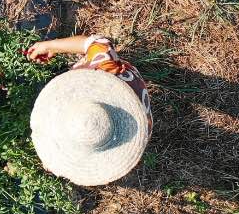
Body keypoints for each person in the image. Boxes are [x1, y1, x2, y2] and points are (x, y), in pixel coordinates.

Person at [25, 34, 151, 186]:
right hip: (132, 84)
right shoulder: (106, 64)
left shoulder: (103, 63)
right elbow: (96, 42)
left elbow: (97, 43)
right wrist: (51, 45)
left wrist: (54, 161)